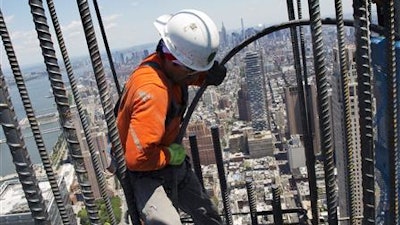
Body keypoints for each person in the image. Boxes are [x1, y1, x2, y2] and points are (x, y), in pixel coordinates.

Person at [115, 9, 226, 225]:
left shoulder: (165, 64)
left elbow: (181, 78)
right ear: (175, 60)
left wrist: (208, 76)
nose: (194, 76)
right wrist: (170, 155)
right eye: (191, 71)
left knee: (207, 214)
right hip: (142, 173)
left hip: (166, 158)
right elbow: (137, 159)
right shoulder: (152, 91)